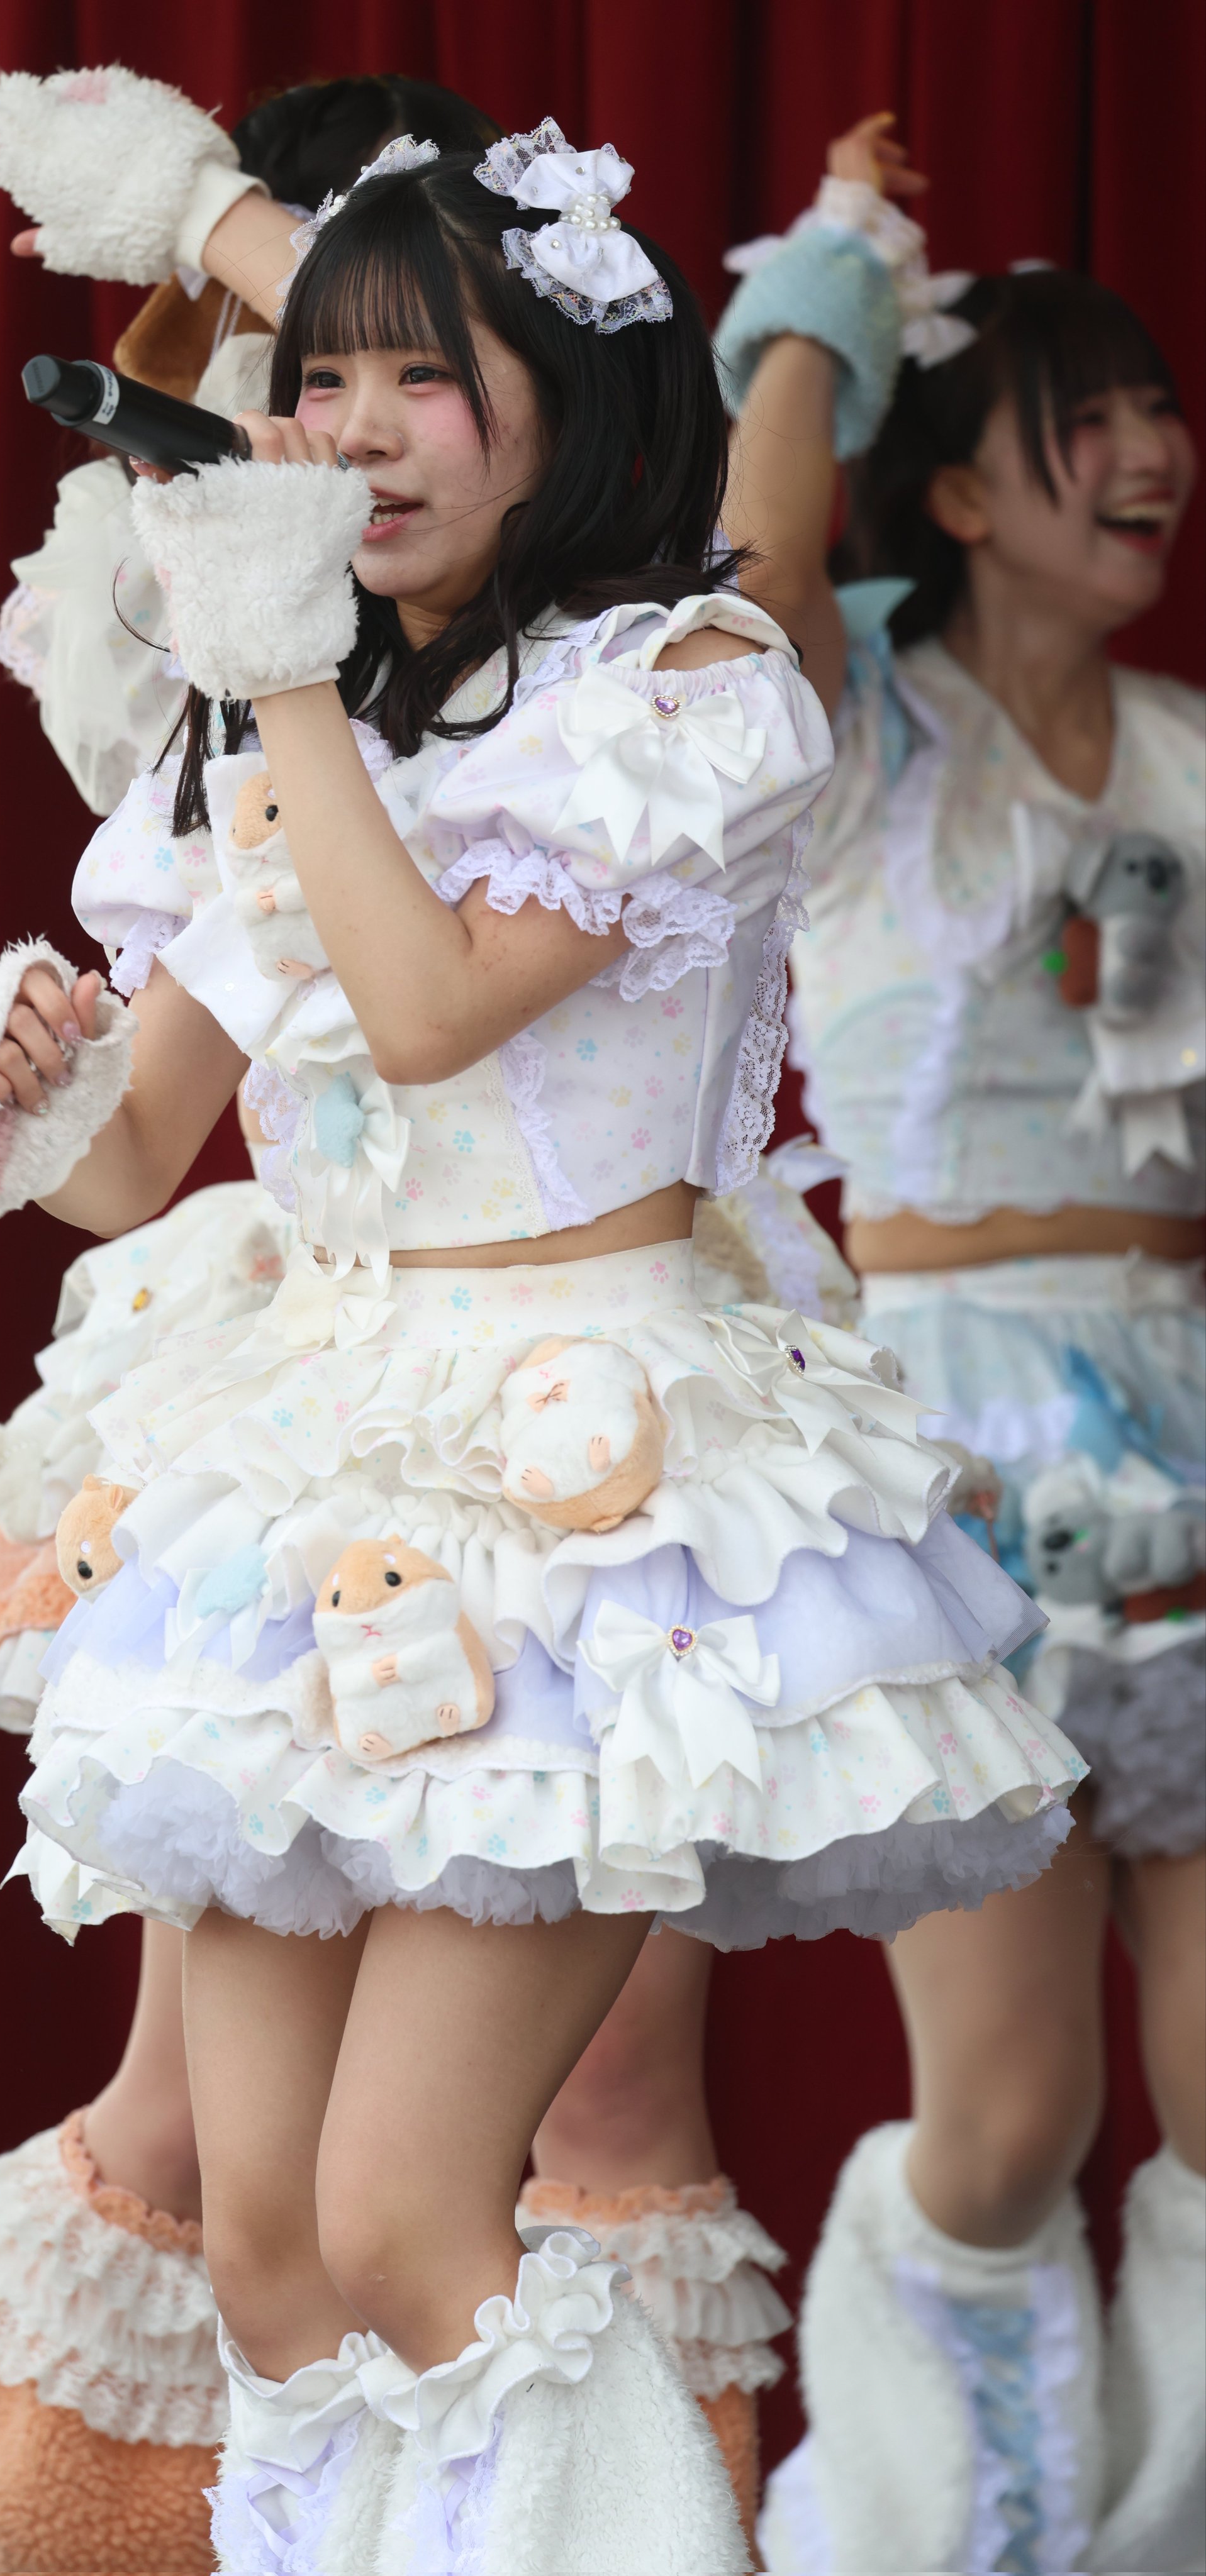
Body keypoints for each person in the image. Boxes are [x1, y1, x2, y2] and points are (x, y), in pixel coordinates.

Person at [0, 108, 1086, 2573]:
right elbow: (136, 1150)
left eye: (417, 381)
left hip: (578, 1475)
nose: (347, 432)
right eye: (314, 381)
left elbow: (426, 1009)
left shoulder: (676, 690)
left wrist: (283, 678)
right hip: (310, 1466)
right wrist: (3, 1088)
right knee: (266, 2247)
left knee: (416, 2219)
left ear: (554, 402)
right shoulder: (278, 715)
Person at [713, 113, 1205, 2576]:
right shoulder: (855, 731)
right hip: (949, 1448)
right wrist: (829, 275)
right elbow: (761, 560)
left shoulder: (1198, 757)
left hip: (1186, 1410)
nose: (1147, 450)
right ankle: (927, 2548)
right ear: (964, 489)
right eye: (1079, 417)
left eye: (1154, 407)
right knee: (1005, 2128)